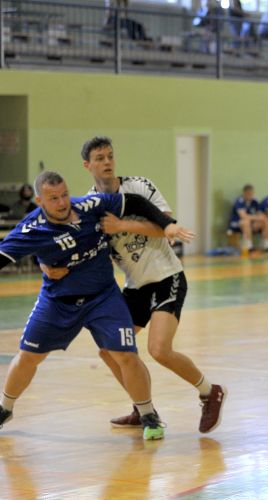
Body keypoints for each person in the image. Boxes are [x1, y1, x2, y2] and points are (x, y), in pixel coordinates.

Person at [0, 171, 192, 440]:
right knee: (29, 356)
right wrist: (42, 264)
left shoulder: (89, 205)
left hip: (103, 298)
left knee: (125, 354)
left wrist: (167, 223)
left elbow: (135, 202)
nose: (62, 202)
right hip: (58, 301)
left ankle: (148, 414)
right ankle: (5, 408)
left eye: (65, 194)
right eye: (53, 198)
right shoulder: (31, 229)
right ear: (40, 201)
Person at [73, 136, 226, 434]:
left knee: (159, 349)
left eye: (110, 156)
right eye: (100, 158)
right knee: (109, 350)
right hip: (135, 286)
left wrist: (122, 225)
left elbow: (165, 226)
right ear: (87, 165)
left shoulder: (139, 186)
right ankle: (143, 408)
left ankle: (210, 392)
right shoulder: (90, 205)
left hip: (167, 276)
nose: (107, 162)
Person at [228, 184, 268, 254]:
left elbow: (259, 213)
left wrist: (262, 217)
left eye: (251, 194)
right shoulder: (239, 201)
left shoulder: (254, 201)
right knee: (246, 222)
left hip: (250, 223)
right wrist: (257, 217)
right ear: (244, 193)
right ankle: (249, 247)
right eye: (248, 194)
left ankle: (267, 246)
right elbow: (243, 216)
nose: (250, 195)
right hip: (237, 224)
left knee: (265, 221)